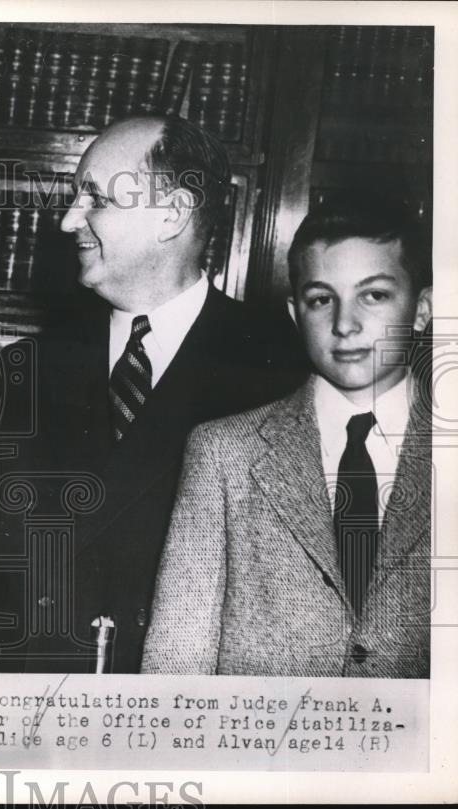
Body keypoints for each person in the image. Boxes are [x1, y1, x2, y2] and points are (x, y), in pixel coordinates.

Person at [0, 115, 307, 674]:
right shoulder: (23, 370)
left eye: (95, 199)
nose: (70, 219)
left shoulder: (281, 372)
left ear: (171, 215)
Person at [141, 199, 432, 678]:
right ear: (296, 315)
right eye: (321, 299)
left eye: (373, 295)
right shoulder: (224, 454)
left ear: (422, 310)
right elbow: (176, 659)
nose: (344, 324)